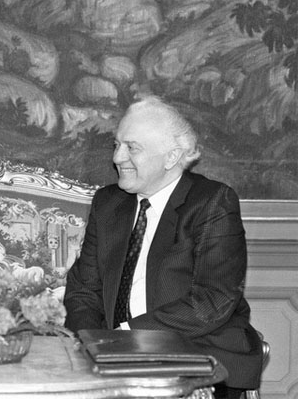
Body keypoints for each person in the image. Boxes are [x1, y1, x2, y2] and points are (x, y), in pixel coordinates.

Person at [63, 96, 262, 399]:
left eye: (132, 147)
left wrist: (127, 337)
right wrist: (95, 344)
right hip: (114, 360)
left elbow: (213, 300)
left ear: (171, 157)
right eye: (116, 145)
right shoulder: (108, 203)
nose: (117, 157)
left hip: (197, 358)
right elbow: (83, 290)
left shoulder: (212, 202)